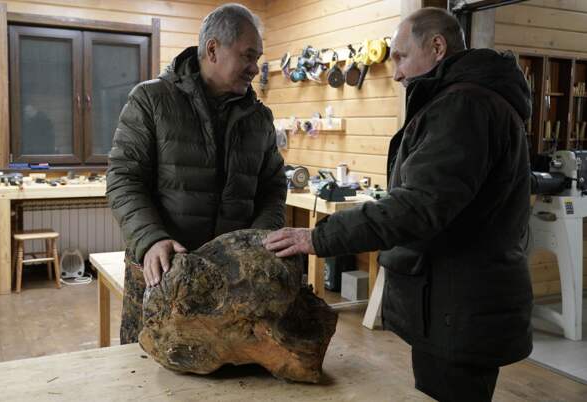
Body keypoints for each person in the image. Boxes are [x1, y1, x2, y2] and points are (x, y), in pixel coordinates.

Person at [264, 7, 532, 402]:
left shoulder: (464, 107)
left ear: (437, 47)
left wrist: (318, 237)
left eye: (402, 57)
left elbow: (418, 206)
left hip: (458, 305)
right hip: (457, 302)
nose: (396, 74)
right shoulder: (471, 101)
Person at [107, 3, 286, 345]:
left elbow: (273, 186)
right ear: (213, 50)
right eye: (248, 56)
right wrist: (149, 238)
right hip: (164, 271)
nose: (254, 68)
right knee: (145, 363)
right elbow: (123, 179)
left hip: (234, 278)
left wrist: (261, 240)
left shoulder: (259, 118)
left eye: (257, 58)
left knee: (227, 364)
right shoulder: (150, 99)